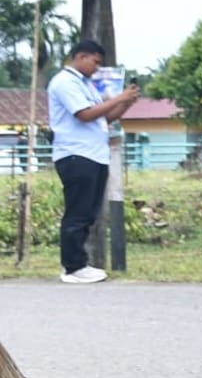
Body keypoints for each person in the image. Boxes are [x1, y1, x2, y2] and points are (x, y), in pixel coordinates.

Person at [47, 40, 139, 284]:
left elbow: (103, 118)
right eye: (95, 62)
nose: (96, 68)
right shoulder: (65, 82)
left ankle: (80, 263)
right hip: (76, 155)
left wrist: (125, 103)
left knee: (88, 213)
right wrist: (118, 97)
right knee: (77, 213)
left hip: (95, 154)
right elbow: (84, 114)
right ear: (81, 57)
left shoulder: (86, 85)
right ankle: (73, 267)